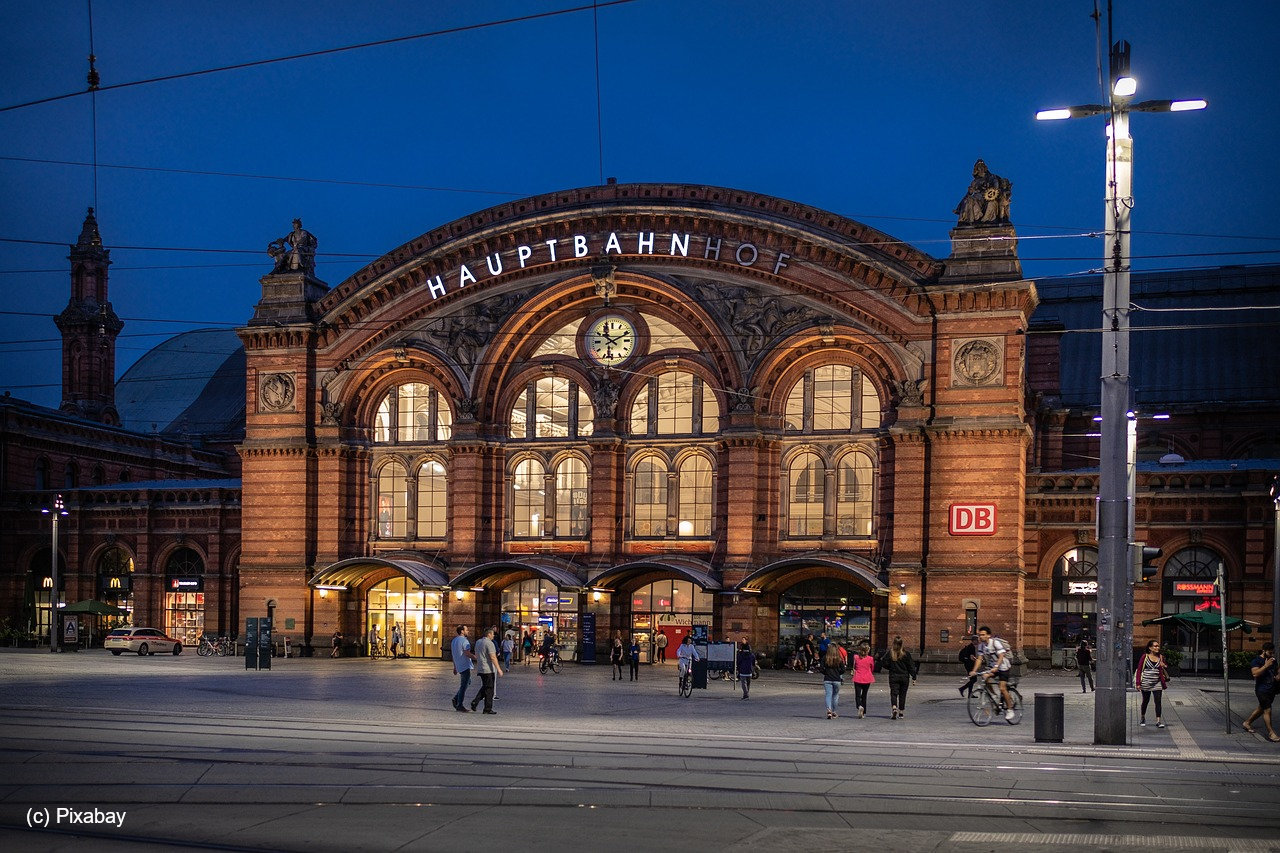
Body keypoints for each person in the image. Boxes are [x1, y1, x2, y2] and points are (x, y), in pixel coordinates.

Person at [971, 626, 1016, 722]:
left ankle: (1010, 709)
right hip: (992, 668)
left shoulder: (995, 643)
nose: (981, 637)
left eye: (983, 635)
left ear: (988, 635)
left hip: (1003, 667)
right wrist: (974, 671)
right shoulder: (981, 646)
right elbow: (979, 659)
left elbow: (1001, 656)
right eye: (980, 635)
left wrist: (996, 666)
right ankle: (995, 696)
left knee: (1002, 688)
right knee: (984, 677)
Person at [1242, 642, 1279, 741]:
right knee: (1267, 710)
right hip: (1261, 690)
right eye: (1270, 653)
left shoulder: (1273, 661)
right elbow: (1255, 674)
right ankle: (1271, 733)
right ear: (1264, 651)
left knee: (1261, 708)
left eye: (1273, 653)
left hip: (1272, 689)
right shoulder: (1256, 661)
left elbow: (1276, 674)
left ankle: (1247, 723)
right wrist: (1266, 665)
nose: (1272, 655)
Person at [878, 636, 919, 720]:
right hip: (904, 677)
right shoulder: (906, 654)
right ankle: (901, 712)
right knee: (902, 695)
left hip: (893, 676)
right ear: (901, 644)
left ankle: (894, 707)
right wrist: (914, 676)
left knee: (894, 693)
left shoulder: (890, 653)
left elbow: (883, 662)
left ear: (894, 643)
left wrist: (890, 667)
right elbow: (911, 666)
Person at [468, 626, 503, 714]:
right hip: (488, 669)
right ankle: (487, 708)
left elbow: (476, 654)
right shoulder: (489, 643)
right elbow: (493, 657)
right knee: (489, 689)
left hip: (480, 667)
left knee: (486, 686)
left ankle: (475, 702)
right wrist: (499, 669)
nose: (493, 636)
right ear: (489, 634)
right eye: (493, 634)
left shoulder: (478, 642)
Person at [1135, 639, 1169, 728]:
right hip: (1146, 682)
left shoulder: (1160, 657)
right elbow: (1139, 670)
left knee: (1158, 701)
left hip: (1157, 683)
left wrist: (1163, 665)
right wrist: (1138, 683)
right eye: (1155, 646)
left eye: (1158, 646)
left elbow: (1165, 667)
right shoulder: (1145, 657)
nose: (1157, 647)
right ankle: (1142, 717)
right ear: (1150, 648)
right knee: (1145, 701)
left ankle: (1158, 721)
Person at [450, 625, 477, 712]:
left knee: (468, 682)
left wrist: (455, 666)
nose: (468, 631)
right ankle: (459, 704)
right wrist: (477, 658)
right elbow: (467, 653)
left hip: (459, 664)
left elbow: (454, 654)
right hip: (465, 665)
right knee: (464, 685)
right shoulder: (464, 641)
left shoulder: (454, 640)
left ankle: (456, 699)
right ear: (462, 631)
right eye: (466, 630)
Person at [819, 643, 846, 719]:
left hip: (827, 679)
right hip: (836, 679)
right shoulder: (839, 659)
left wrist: (826, 673)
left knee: (828, 695)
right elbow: (843, 670)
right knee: (835, 696)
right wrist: (838, 673)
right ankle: (834, 711)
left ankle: (829, 710)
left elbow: (821, 669)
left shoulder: (825, 658)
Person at [850, 641, 875, 718]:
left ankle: (859, 706)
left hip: (858, 678)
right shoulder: (870, 658)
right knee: (864, 695)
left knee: (857, 695)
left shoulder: (856, 657)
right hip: (867, 678)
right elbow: (872, 668)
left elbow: (853, 666)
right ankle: (864, 712)